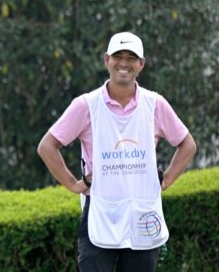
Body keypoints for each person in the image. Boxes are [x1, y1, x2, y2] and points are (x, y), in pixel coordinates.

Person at [37, 32, 196, 272]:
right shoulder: (86, 105)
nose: (124, 63)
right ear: (106, 60)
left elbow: (187, 144)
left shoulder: (155, 104)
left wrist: (166, 180)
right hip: (100, 216)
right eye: (117, 56)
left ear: (141, 64)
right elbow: (47, 147)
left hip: (142, 218)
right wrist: (72, 184)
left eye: (131, 57)